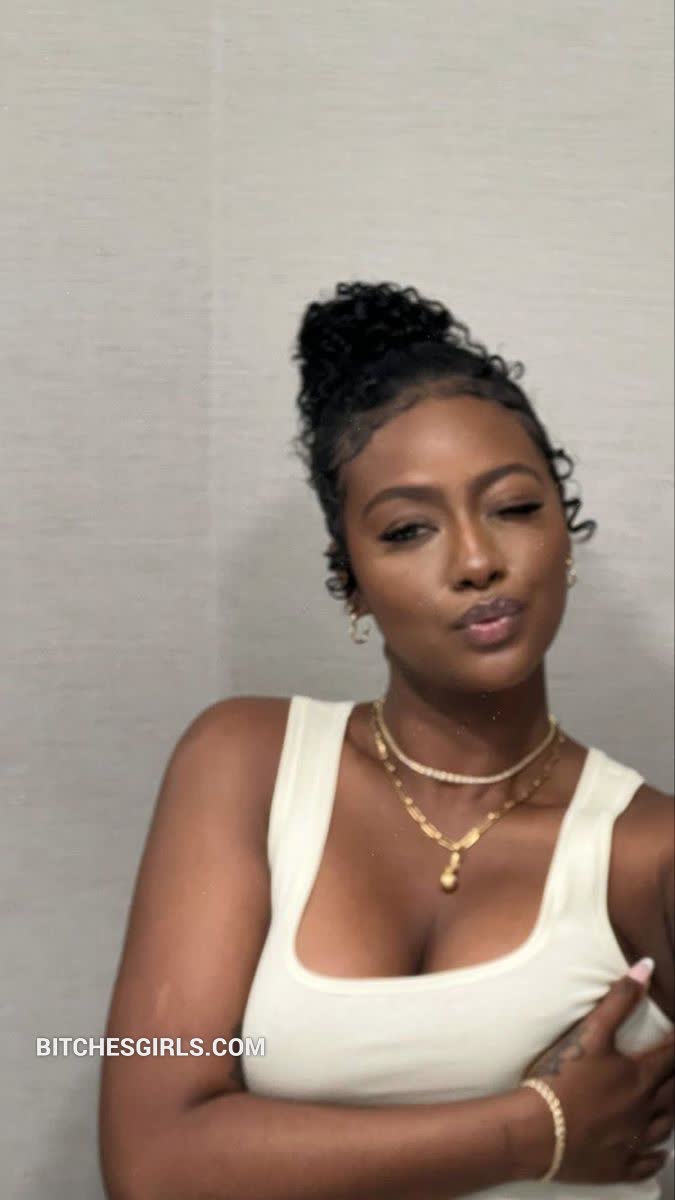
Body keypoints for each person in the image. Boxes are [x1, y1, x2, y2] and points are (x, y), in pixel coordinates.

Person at [99, 282, 674, 1200]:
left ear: (564, 534)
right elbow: (154, 1163)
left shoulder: (648, 850)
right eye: (408, 530)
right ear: (352, 583)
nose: (476, 561)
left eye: (513, 507)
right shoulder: (245, 766)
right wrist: (537, 1129)